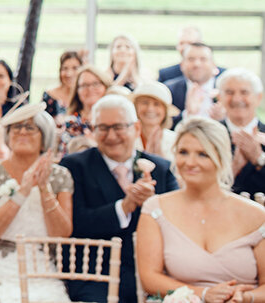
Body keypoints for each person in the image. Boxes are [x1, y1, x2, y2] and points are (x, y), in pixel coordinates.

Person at [60, 94, 178, 303]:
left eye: (119, 127)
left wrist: (153, 206)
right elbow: (74, 224)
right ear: (93, 131)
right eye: (103, 128)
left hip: (152, 274)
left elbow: (176, 224)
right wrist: (124, 207)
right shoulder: (74, 166)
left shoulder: (161, 168)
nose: (111, 135)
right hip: (95, 276)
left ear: (137, 129)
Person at [137, 117, 265, 303]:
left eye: (202, 154)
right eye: (183, 152)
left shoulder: (257, 215)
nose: (190, 162)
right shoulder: (155, 208)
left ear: (220, 158)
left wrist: (244, 297)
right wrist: (202, 294)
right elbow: (150, 278)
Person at [0, 104, 73, 302]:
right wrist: (23, 191)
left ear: (44, 136)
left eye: (30, 128)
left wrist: (44, 189)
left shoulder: (60, 176)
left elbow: (61, 234)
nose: (22, 132)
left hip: (42, 269)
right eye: (16, 128)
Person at [215, 68, 265, 196]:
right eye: (229, 92)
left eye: (244, 92)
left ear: (258, 97)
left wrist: (259, 159)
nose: (237, 99)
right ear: (219, 97)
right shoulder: (210, 135)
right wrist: (233, 168)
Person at [58, 66, 111, 155]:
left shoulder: (114, 119)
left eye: (95, 84)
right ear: (77, 91)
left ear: (105, 86)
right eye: (84, 85)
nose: (90, 89)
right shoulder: (71, 123)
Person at [165, 42, 222, 123]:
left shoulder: (227, 89)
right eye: (191, 59)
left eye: (203, 59)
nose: (197, 64)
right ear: (182, 65)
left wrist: (223, 118)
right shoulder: (169, 90)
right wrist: (188, 113)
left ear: (213, 64)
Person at [132, 81, 179, 158]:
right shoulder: (126, 137)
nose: (150, 109)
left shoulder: (176, 140)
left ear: (165, 111)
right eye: (145, 103)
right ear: (135, 107)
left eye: (156, 104)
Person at [43, 50, 82, 122]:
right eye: (65, 68)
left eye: (75, 68)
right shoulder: (49, 96)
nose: (69, 74)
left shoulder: (84, 96)